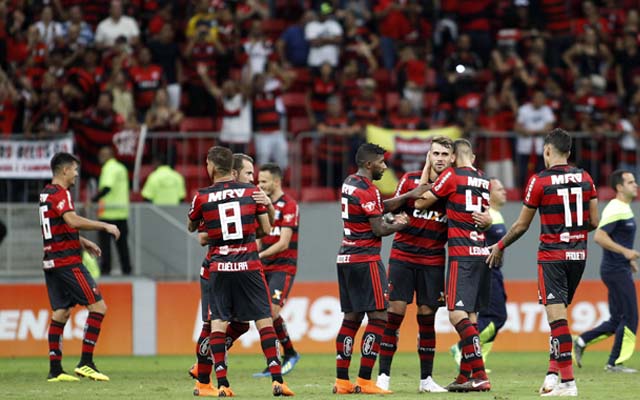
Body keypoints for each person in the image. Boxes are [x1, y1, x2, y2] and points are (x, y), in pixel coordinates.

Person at [487, 128, 599, 396]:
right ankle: (552, 374)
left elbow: (522, 225)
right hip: (578, 255)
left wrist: (500, 245)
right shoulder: (586, 177)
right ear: (569, 152)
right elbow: (594, 222)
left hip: (552, 256)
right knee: (558, 317)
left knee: (556, 318)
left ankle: (569, 383)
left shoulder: (539, 181)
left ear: (547, 150)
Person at [187, 146, 294, 397]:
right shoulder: (251, 194)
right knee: (263, 320)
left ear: (211, 166)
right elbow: (266, 231)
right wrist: (266, 207)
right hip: (247, 264)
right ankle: (276, 380)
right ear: (233, 171)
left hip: (218, 266)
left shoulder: (202, 196)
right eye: (249, 173)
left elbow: (197, 230)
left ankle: (221, 383)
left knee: (219, 323)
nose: (252, 178)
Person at [376, 137, 454, 393]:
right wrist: (395, 219)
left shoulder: (452, 186)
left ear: (452, 158)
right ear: (428, 156)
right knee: (394, 313)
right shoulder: (409, 180)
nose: (440, 158)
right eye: (436, 153)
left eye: (444, 154)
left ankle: (426, 381)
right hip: (403, 256)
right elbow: (388, 209)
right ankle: (383, 377)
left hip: (432, 260)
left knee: (427, 318)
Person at [414, 139, 493, 392]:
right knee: (470, 316)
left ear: (454, 157)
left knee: (456, 314)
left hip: (462, 254)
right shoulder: (484, 179)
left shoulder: (451, 176)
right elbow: (485, 217)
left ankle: (479, 374)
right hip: (481, 252)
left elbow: (420, 202)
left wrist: (428, 169)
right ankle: (464, 376)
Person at [333, 143, 410, 395]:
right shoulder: (368, 190)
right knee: (379, 318)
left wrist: (408, 196)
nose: (385, 167)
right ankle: (365, 380)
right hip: (366, 260)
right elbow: (378, 228)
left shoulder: (350, 182)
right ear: (369, 164)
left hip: (346, 258)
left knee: (351, 319)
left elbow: (376, 206)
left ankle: (342, 381)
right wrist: (400, 225)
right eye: (381, 162)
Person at [39, 152, 120, 382]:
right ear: (64, 170)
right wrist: (104, 226)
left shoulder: (46, 193)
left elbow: (58, 228)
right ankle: (86, 363)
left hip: (51, 260)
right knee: (98, 308)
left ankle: (55, 370)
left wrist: (83, 243)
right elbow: (72, 220)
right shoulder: (61, 194)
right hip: (67, 262)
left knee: (61, 312)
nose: (76, 174)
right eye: (74, 169)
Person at [574, 170, 639, 373]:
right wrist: (625, 252)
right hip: (615, 270)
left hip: (618, 268)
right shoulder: (616, 208)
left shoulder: (624, 208)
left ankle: (582, 340)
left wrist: (627, 259)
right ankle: (615, 363)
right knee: (631, 316)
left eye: (634, 181)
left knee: (617, 319)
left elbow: (616, 238)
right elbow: (599, 237)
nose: (635, 185)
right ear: (619, 187)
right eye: (630, 182)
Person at [450, 177, 509, 370]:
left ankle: (479, 359)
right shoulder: (484, 215)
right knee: (495, 317)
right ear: (488, 194)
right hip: (486, 271)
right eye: (499, 189)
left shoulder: (496, 215)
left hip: (495, 271)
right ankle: (462, 347)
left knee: (493, 317)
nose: (504, 191)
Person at [254, 163, 301, 377]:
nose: (259, 185)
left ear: (276, 181)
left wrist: (259, 256)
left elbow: (283, 243)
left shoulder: (290, 205)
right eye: (258, 181)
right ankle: (281, 357)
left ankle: (288, 354)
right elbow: (258, 238)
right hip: (263, 267)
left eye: (263, 181)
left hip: (283, 266)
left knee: (271, 311)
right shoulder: (261, 206)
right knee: (264, 314)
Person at [93, 146, 132, 276]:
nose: (99, 158)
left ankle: (106, 270)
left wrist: (93, 199)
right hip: (121, 213)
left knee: (105, 245)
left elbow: (106, 188)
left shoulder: (108, 168)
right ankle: (127, 270)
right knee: (122, 245)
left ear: (107, 156)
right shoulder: (121, 168)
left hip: (108, 213)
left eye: (101, 155)